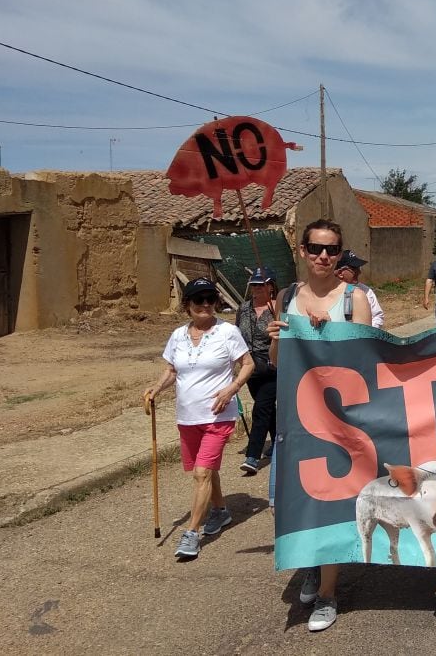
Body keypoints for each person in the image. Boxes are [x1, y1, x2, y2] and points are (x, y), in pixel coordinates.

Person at [267, 219, 372, 632]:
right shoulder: (286, 297)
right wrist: (278, 335)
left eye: (332, 250)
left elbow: (367, 363)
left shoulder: (355, 299)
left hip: (341, 424)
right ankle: (312, 564)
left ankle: (328, 593)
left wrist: (329, 334)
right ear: (302, 250)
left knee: (331, 501)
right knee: (291, 500)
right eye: (316, 248)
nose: (324, 256)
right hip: (295, 420)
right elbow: (277, 362)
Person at [144, 278, 254, 560]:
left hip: (218, 415)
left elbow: (248, 364)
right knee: (208, 469)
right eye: (198, 300)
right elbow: (172, 370)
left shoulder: (227, 332)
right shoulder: (178, 335)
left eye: (210, 299)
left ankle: (192, 533)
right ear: (187, 305)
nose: (205, 305)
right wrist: (156, 388)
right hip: (188, 417)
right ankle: (220, 511)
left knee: (201, 473)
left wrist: (232, 389)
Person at [235, 267, 278, 475]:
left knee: (261, 409)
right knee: (267, 409)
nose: (256, 290)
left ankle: (252, 457)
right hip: (250, 368)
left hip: (272, 366)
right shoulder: (243, 309)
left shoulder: (277, 309)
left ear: (270, 287)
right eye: (253, 285)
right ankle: (279, 440)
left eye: (260, 285)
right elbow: (236, 337)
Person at [334, 250, 385, 328]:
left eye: (358, 268)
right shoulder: (327, 293)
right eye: (354, 269)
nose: (359, 272)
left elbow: (377, 316)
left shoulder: (366, 291)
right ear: (340, 273)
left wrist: (368, 333)